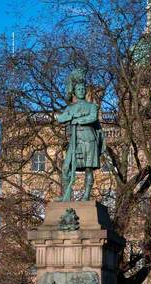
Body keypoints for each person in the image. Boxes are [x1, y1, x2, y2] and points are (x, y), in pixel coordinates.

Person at [56, 71, 105, 201]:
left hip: (89, 139)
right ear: (75, 92)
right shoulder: (70, 108)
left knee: (89, 169)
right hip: (75, 140)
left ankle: (86, 195)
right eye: (78, 89)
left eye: (83, 89)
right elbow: (61, 118)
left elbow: (93, 118)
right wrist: (72, 116)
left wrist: (78, 120)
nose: (81, 91)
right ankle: (65, 197)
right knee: (66, 168)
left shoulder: (92, 106)